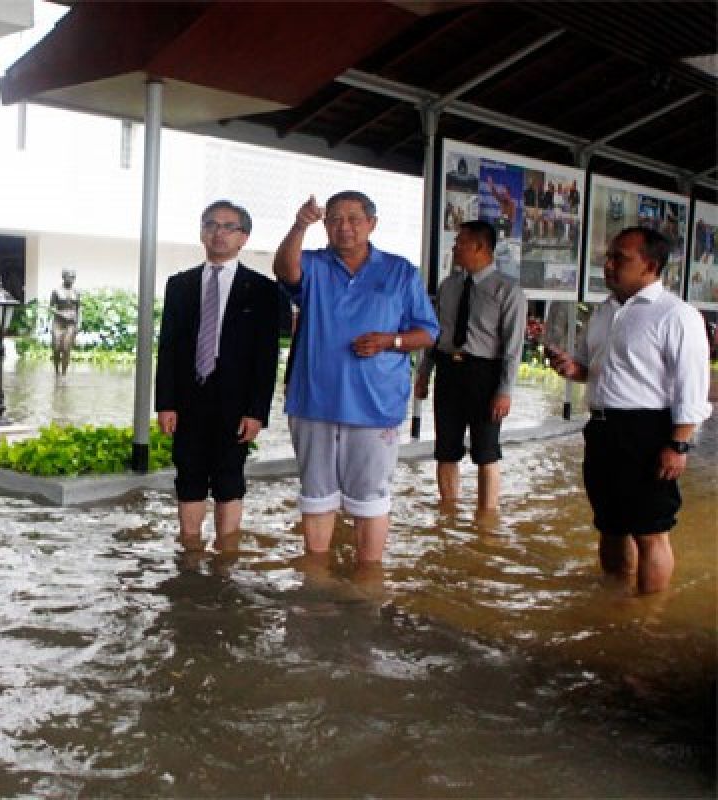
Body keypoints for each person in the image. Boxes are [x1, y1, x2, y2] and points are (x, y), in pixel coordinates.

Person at [275, 192, 438, 565]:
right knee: (315, 494)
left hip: (376, 404)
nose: (343, 227)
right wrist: (300, 225)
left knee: (371, 498)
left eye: (353, 218)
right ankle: (315, 576)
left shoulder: (400, 271)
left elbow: (428, 332)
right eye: (334, 219)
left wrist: (390, 341)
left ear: (372, 224)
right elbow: (285, 271)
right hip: (314, 400)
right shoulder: (313, 264)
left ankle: (368, 580)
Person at [548, 227, 711, 594]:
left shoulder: (677, 315)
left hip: (649, 432)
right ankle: (615, 602)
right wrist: (574, 369)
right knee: (610, 524)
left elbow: (692, 388)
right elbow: (595, 369)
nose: (608, 265)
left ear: (650, 265)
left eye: (620, 258)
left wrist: (678, 445)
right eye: (608, 256)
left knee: (651, 531)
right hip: (604, 428)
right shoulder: (606, 311)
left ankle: (649, 619)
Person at [155, 200, 282, 552]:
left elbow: (266, 357)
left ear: (244, 237)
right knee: (189, 474)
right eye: (211, 225)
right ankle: (190, 552)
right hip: (188, 396)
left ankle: (227, 554)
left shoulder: (262, 289)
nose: (219, 233)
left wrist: (257, 411)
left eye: (228, 227)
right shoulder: (179, 285)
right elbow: (167, 348)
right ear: (201, 233)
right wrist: (165, 403)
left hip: (236, 402)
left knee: (229, 476)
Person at [415, 220, 526, 512]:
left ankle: (487, 519)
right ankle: (448, 514)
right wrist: (424, 374)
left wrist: (505, 391)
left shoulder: (508, 291)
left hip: (484, 375)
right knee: (445, 449)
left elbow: (513, 347)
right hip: (448, 371)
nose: (454, 247)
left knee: (486, 452)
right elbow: (435, 332)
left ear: (480, 247)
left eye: (460, 242)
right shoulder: (449, 286)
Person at [49, 269, 80, 377]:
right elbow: (51, 307)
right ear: (64, 277)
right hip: (58, 322)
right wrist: (61, 314)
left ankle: (64, 374)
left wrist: (77, 324)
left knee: (66, 348)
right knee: (56, 348)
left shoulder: (77, 292)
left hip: (71, 323)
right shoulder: (56, 291)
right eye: (69, 277)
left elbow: (78, 308)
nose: (71, 279)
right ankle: (56, 371)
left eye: (73, 277)